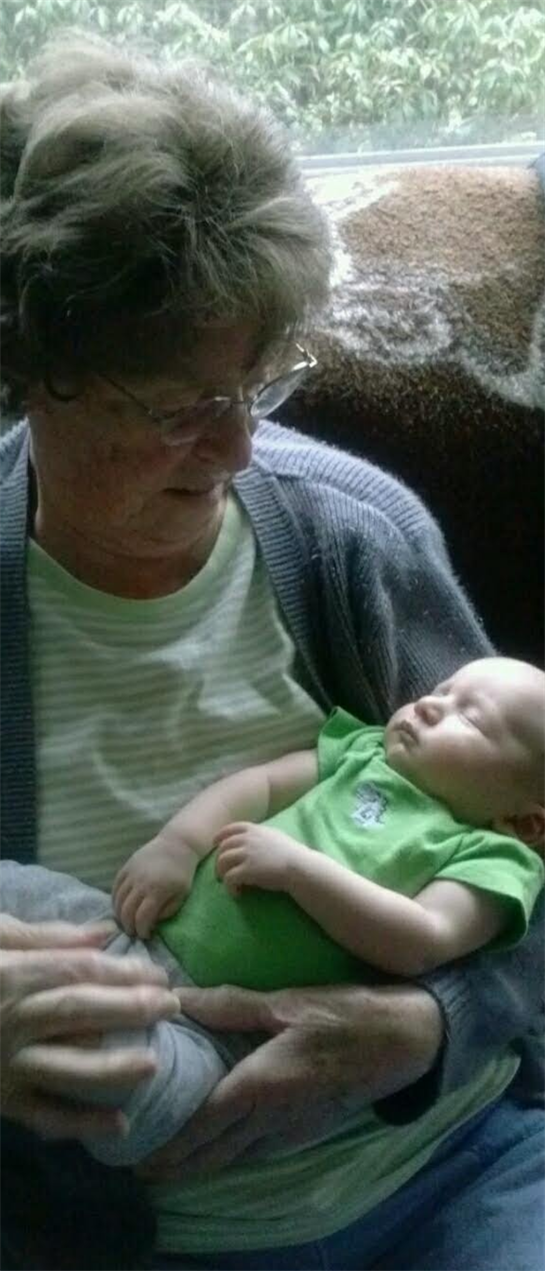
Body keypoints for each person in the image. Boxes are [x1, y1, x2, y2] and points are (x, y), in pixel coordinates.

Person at [0, 28, 544, 1271]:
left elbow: (529, 847)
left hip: (456, 1171)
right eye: (181, 408)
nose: (239, 448)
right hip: (135, 1234)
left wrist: (429, 1019)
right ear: (39, 369)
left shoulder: (350, 540)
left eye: (260, 383)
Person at [3, 653, 544, 1176]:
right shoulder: (362, 752)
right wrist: (179, 844)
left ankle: (78, 1038)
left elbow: (424, 938)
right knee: (21, 889)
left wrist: (299, 871)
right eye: (440, 692)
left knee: (150, 1096)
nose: (429, 706)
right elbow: (259, 785)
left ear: (525, 822)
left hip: (222, 1037)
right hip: (128, 935)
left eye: (469, 718)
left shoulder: (494, 857)